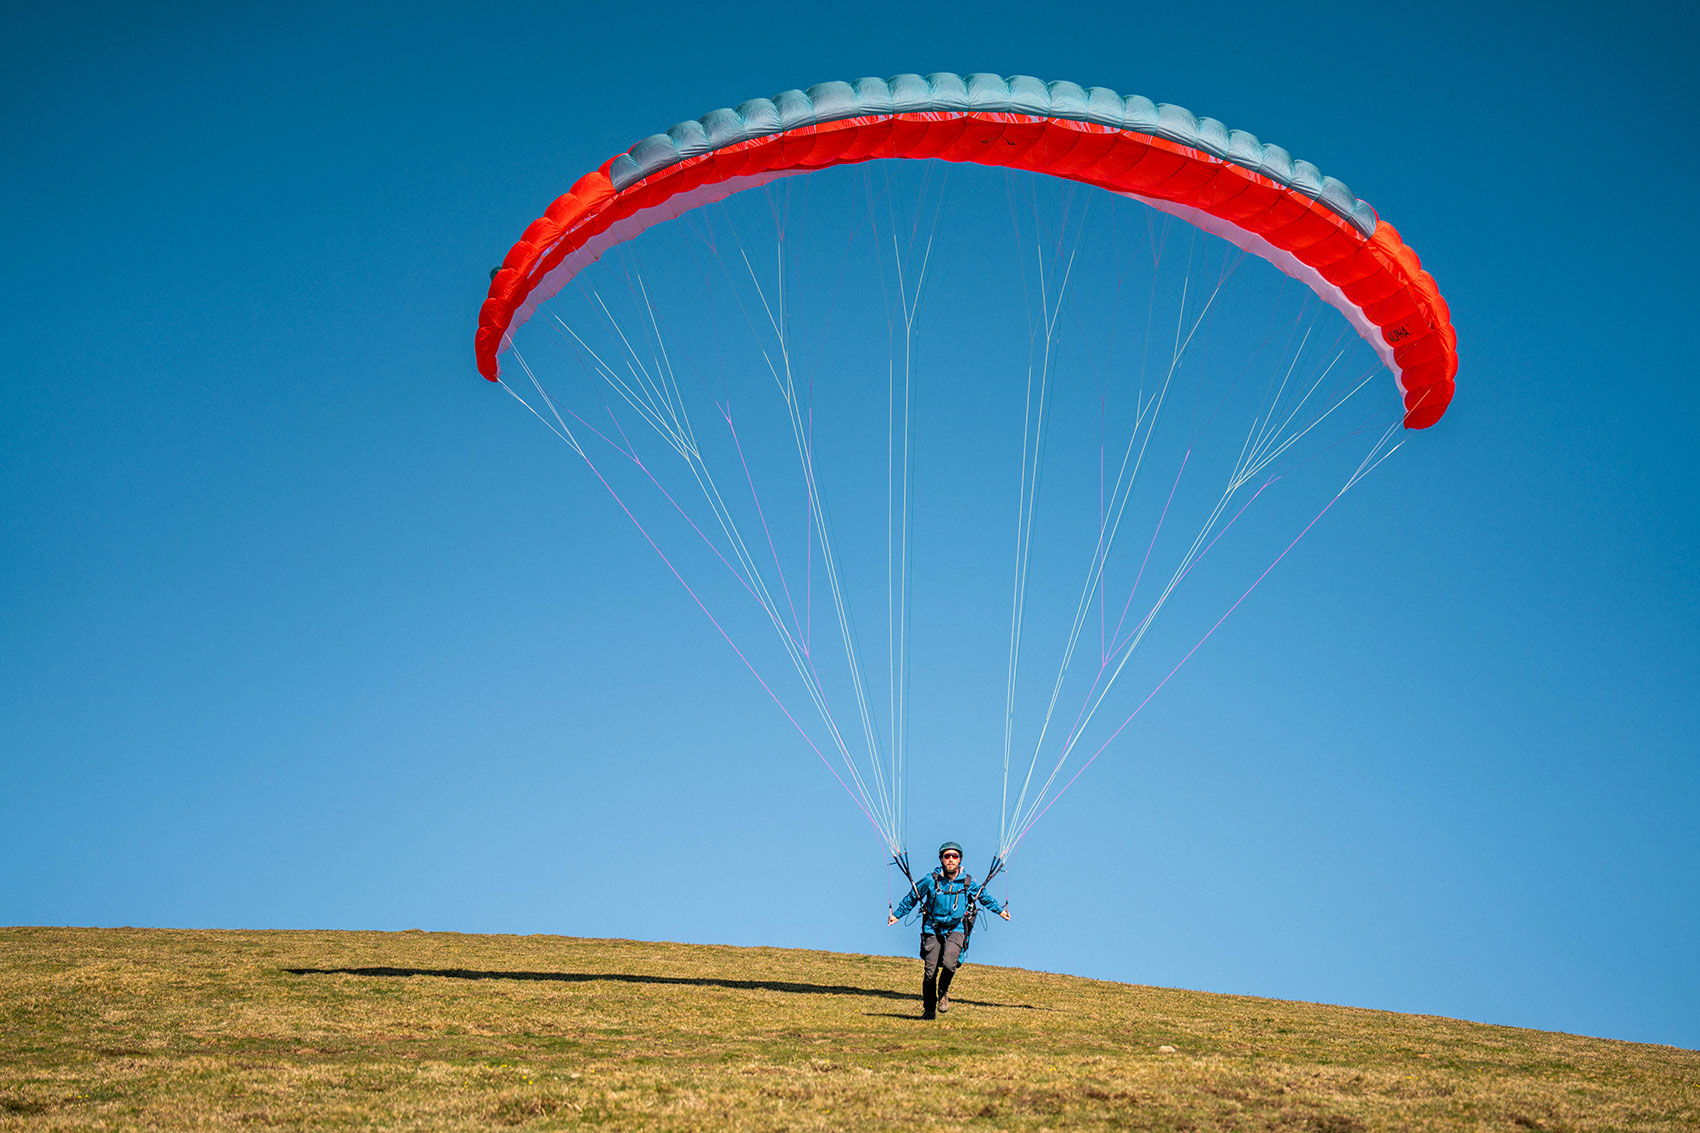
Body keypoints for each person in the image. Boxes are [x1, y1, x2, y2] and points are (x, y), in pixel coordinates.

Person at [888, 841, 1009, 1019]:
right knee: (930, 972)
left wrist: (1000, 910)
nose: (951, 860)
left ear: (960, 859)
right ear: (941, 859)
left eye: (955, 856)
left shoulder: (968, 882)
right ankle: (929, 1010)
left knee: (950, 962)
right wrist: (897, 914)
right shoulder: (931, 880)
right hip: (932, 927)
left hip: (956, 927)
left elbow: (983, 897)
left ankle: (943, 992)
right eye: (947, 856)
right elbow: (913, 896)